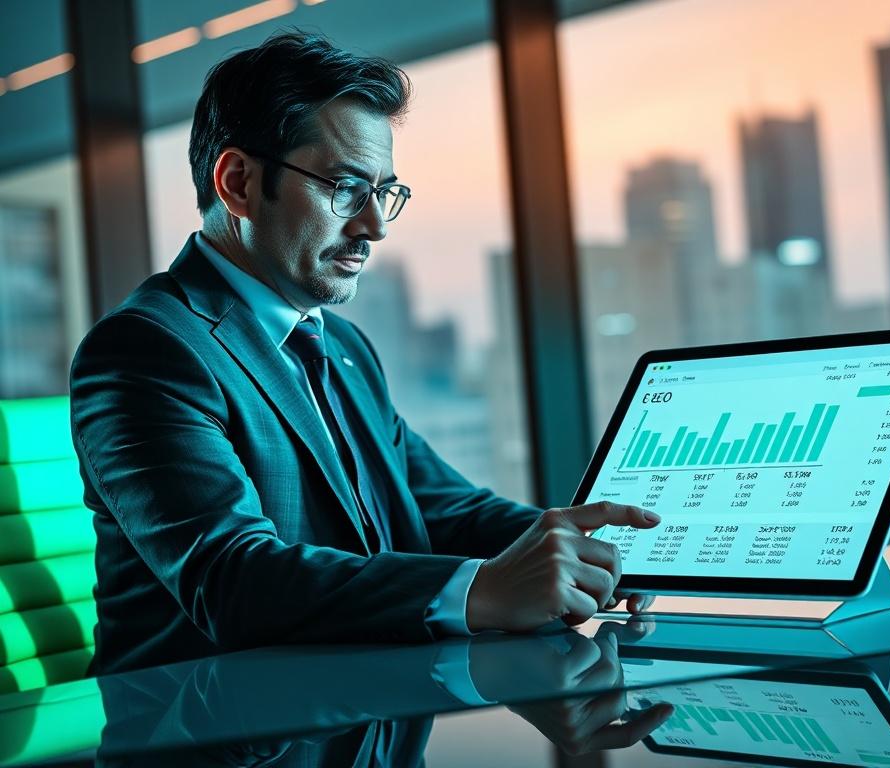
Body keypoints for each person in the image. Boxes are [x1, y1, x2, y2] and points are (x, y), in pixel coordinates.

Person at [70, 30, 659, 675]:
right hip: (214, 723)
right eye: (346, 188)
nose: (374, 225)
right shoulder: (147, 349)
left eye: (384, 193)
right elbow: (231, 578)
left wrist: (582, 549)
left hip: (359, 706)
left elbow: (437, 505)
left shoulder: (340, 344)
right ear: (239, 182)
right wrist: (480, 590)